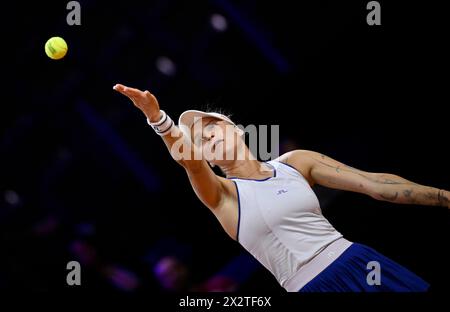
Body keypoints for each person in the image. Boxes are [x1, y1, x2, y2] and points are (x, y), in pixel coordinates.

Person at [113, 83, 449, 292]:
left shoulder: (294, 163)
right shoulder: (223, 195)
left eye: (211, 127)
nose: (206, 138)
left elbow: (375, 184)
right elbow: (187, 159)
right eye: (199, 141)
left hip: (360, 262)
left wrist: (445, 198)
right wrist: (158, 119)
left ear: (236, 130)